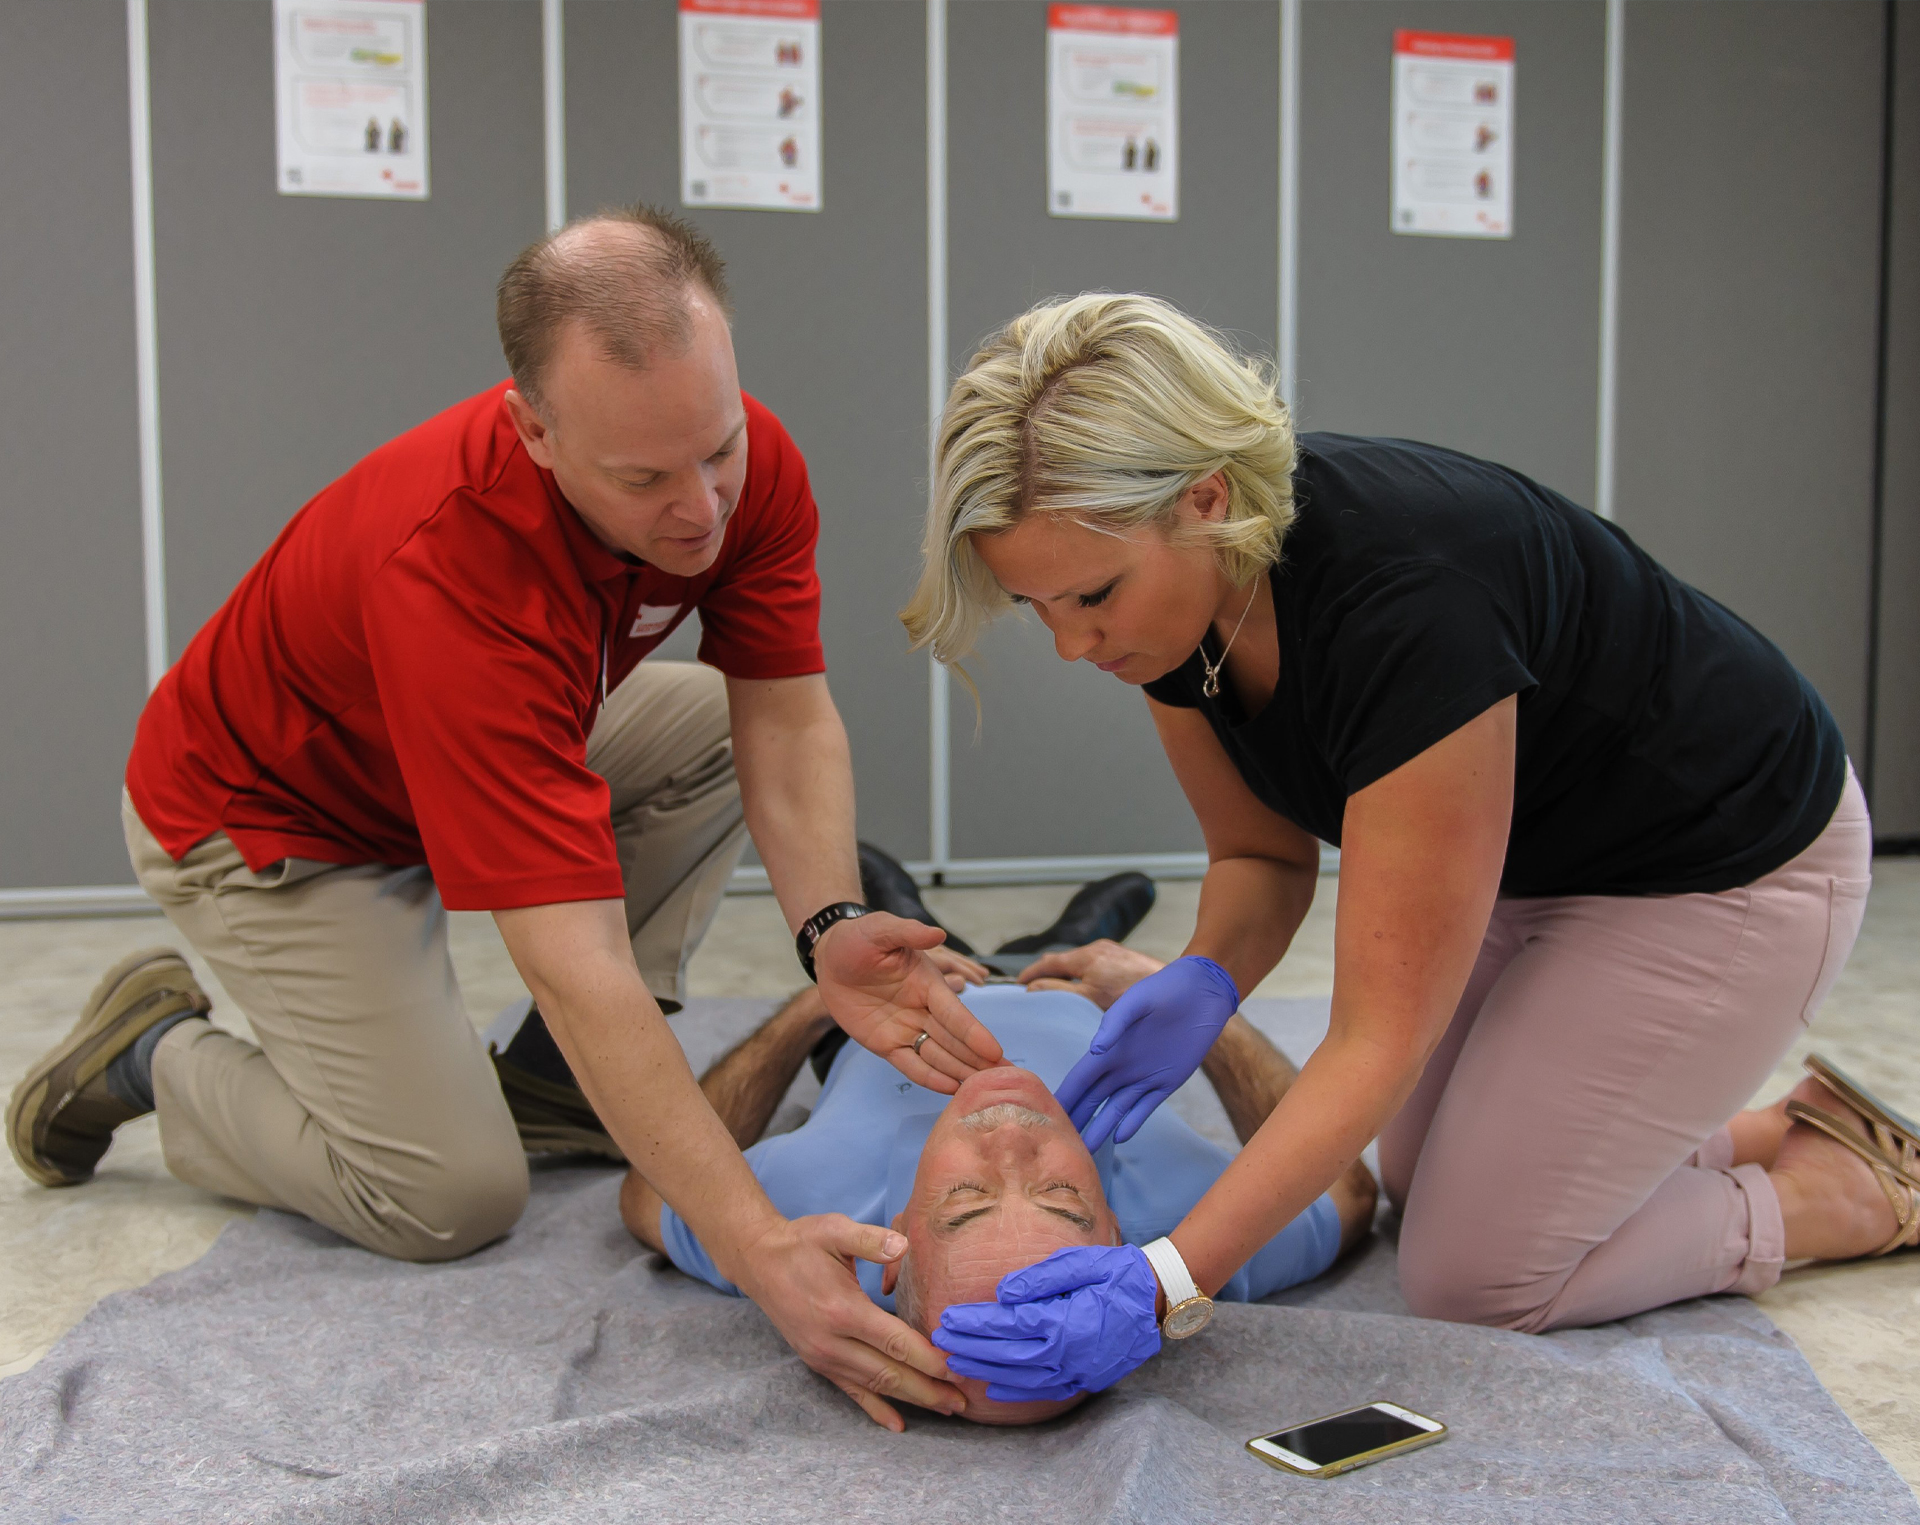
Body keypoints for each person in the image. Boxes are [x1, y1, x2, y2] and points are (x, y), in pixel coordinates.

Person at [7, 206, 1005, 1432]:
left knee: (698, 722)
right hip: (271, 822)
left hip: (434, 768)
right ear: (535, 428)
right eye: (643, 478)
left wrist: (830, 923)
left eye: (719, 449)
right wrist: (755, 1245)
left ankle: (549, 1088)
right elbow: (573, 960)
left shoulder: (743, 467)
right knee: (445, 1198)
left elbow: (788, 721)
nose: (700, 510)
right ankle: (154, 1052)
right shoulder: (449, 567)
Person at [901, 292, 1913, 1404]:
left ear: (1206, 499)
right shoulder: (1176, 613)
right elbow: (1262, 858)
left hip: (1727, 863)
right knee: (1411, 1181)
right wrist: (1206, 974)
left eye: (1092, 596)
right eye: (1035, 605)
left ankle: (1843, 1193)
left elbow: (1375, 1042)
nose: (1071, 643)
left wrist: (1164, 1282)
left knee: (1475, 1277)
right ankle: (1770, 1124)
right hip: (1540, 861)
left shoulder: (1408, 603)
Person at [612, 940, 1376, 1425]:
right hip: (1081, 994)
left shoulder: (815, 1229)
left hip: (904, 1004)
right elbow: (1348, 1192)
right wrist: (1197, 1004)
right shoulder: (1192, 1242)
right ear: (1119, 1235)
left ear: (894, 1241)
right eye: (1061, 1197)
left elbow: (651, 1188)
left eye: (965, 1198)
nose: (1011, 1137)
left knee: (898, 917)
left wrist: (810, 1011)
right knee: (1067, 938)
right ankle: (1086, 925)